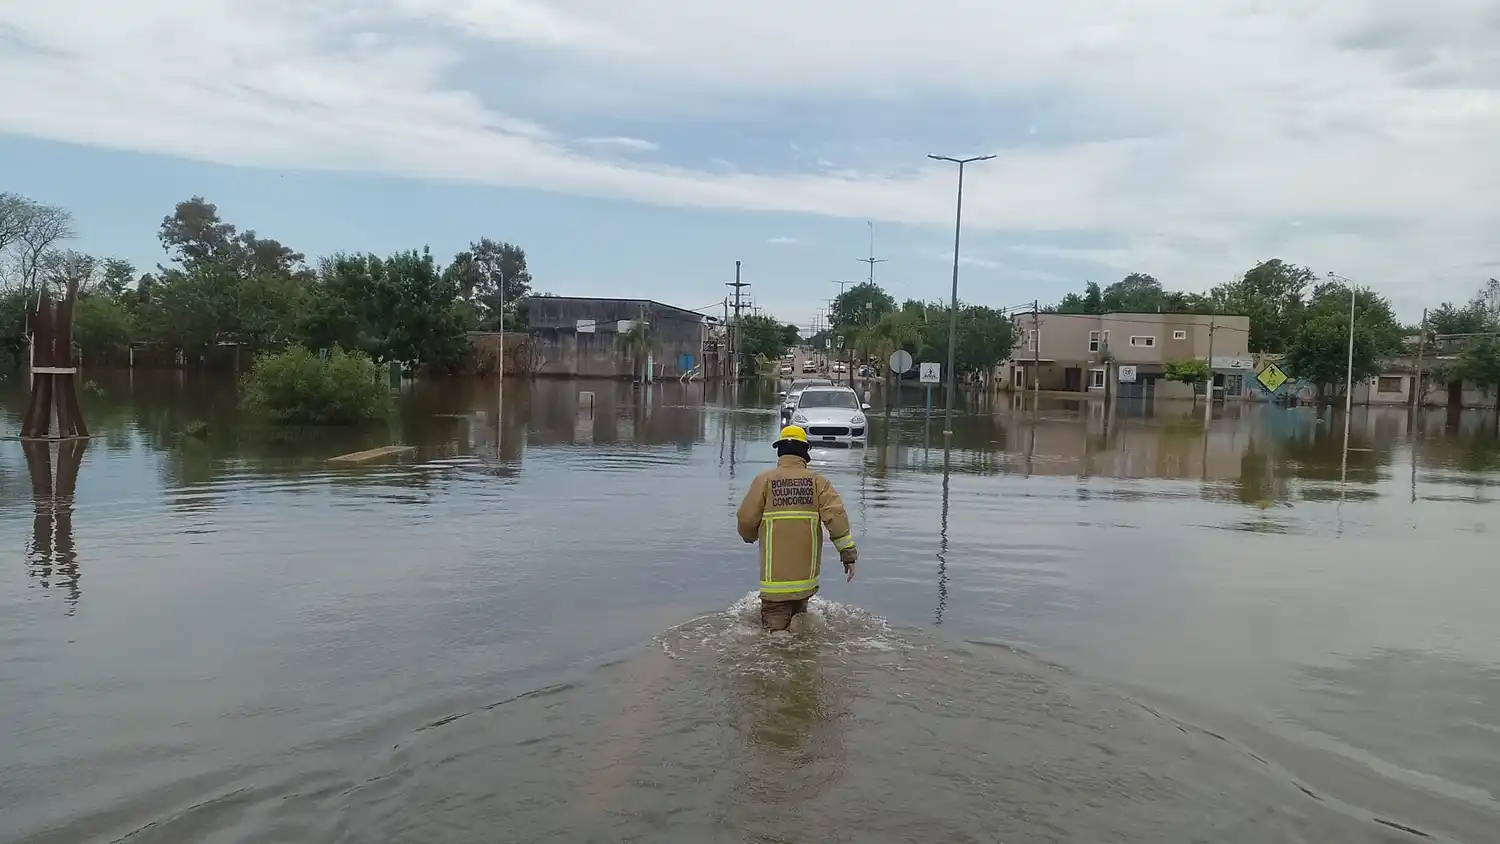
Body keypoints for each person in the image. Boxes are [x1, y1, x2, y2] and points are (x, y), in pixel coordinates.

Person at [736, 425, 858, 631]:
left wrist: (749, 536)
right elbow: (836, 519)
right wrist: (848, 553)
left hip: (774, 584)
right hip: (804, 583)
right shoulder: (818, 483)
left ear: (779, 451)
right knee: (800, 633)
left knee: (774, 638)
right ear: (805, 453)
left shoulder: (763, 481)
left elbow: (746, 520)